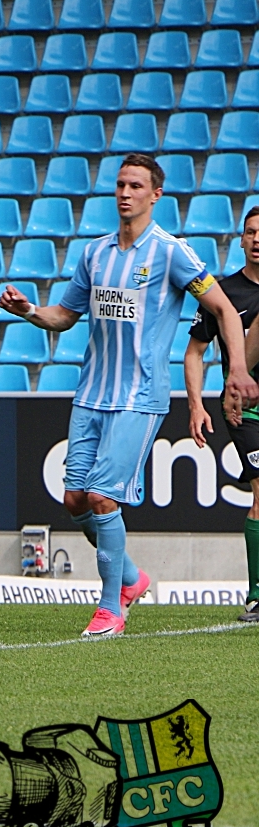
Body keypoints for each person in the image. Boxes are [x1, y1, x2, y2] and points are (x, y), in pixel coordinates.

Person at [0, 153, 259, 637]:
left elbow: (224, 309)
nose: (125, 193)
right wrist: (29, 310)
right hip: (90, 394)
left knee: (101, 496)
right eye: (120, 184)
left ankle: (110, 608)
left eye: (136, 186)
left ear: (155, 195)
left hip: (139, 396)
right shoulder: (95, 253)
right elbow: (64, 315)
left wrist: (237, 370)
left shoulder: (171, 252)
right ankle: (133, 578)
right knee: (74, 499)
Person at [184, 207, 259, 622]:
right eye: (251, 232)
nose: (258, 239)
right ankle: (257, 595)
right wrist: (195, 404)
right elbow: (194, 352)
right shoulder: (224, 294)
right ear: (242, 239)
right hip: (245, 408)